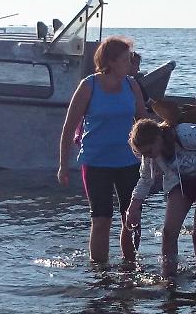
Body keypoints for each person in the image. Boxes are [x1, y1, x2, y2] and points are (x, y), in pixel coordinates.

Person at [58, 36, 149, 263]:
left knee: (131, 218)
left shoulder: (131, 85)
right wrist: (63, 165)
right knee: (101, 220)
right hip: (96, 161)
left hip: (129, 160)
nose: (130, 63)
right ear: (111, 61)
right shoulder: (89, 86)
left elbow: (143, 121)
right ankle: (100, 272)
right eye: (126, 59)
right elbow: (68, 127)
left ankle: (130, 266)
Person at [125, 118, 196, 280]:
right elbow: (146, 180)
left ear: (158, 138)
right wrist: (133, 207)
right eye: (144, 154)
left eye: (149, 151)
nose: (148, 156)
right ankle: (169, 279)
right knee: (168, 233)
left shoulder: (185, 134)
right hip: (181, 183)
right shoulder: (150, 156)